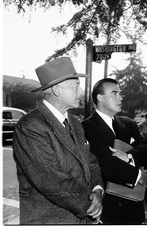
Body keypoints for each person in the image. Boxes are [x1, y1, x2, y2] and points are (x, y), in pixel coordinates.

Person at [12, 57, 104, 224]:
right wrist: (91, 205)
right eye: (75, 86)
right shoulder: (30, 126)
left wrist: (97, 189)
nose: (81, 92)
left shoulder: (75, 123)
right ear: (56, 90)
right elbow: (50, 180)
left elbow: (90, 161)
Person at [82, 78, 147, 224]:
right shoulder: (86, 127)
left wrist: (129, 157)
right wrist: (138, 175)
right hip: (108, 209)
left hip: (134, 204)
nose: (120, 97)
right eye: (114, 93)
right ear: (100, 98)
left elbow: (146, 147)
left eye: (120, 93)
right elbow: (104, 163)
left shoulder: (128, 123)